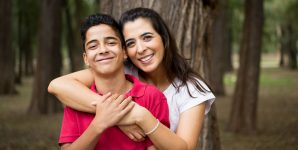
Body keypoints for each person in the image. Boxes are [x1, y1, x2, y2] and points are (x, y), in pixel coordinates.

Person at [49, 7, 215, 149]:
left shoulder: (190, 88)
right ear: (125, 52)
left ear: (163, 39)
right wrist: (117, 114)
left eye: (147, 37)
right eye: (130, 43)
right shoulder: (119, 68)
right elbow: (58, 85)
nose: (141, 49)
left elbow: (185, 148)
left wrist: (141, 116)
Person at [57, 13, 169, 150]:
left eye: (111, 43)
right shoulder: (76, 102)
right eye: (93, 46)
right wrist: (99, 124)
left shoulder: (152, 97)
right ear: (86, 59)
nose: (103, 50)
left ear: (124, 52)